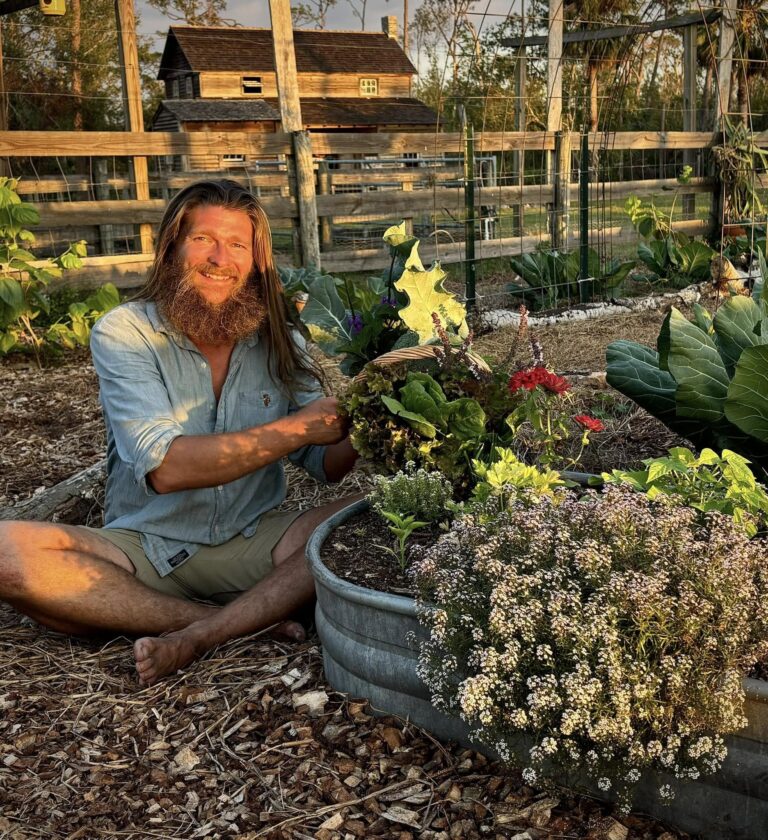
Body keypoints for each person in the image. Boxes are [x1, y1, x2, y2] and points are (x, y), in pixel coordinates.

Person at [0, 179, 359, 685]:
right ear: (171, 247)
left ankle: (169, 621)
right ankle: (216, 623)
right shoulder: (126, 332)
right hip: (142, 548)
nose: (221, 259)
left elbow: (326, 466)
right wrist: (299, 427)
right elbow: (166, 468)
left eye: (238, 245)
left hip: (254, 540)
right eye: (203, 240)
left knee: (359, 519)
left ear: (256, 262)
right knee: (6, 554)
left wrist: (377, 417)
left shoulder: (278, 336)